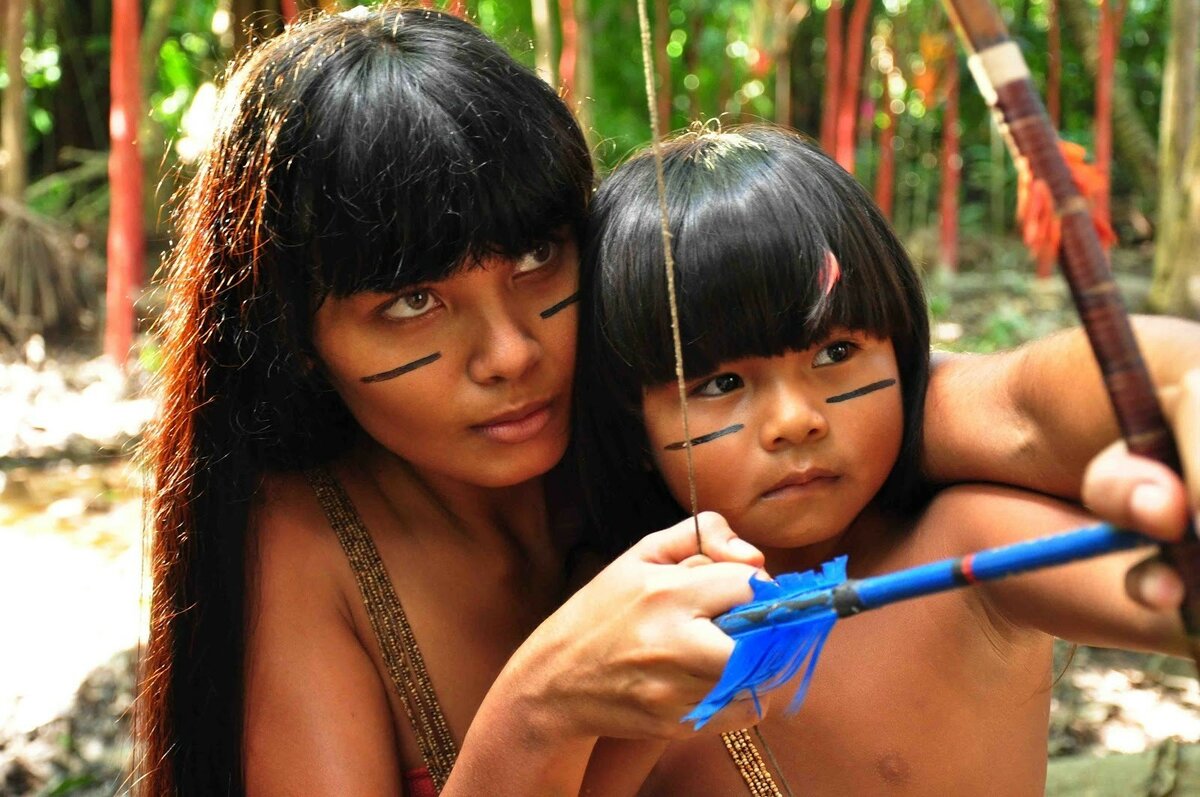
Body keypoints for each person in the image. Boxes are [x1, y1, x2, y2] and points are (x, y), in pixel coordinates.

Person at [139, 6, 1197, 795]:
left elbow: (1013, 402)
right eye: (413, 301)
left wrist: (1183, 385)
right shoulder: (307, 535)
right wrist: (538, 707)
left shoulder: (671, 367)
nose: (509, 351)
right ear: (298, 337)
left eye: (538, 258)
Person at [575, 125, 1195, 794]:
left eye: (835, 354)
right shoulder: (612, 622)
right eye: (721, 384)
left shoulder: (964, 545)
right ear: (633, 427)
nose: (795, 421)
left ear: (903, 356)